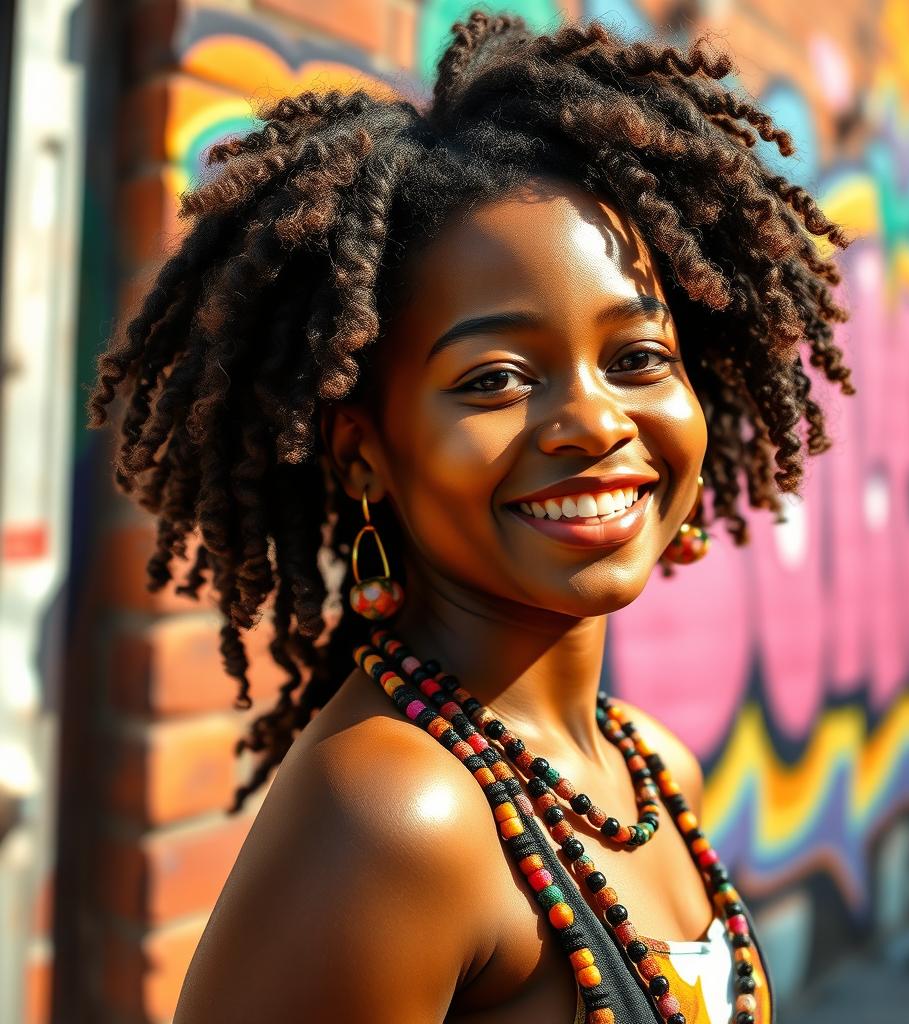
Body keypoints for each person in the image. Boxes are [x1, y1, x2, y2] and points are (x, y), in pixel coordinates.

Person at [89, 12, 852, 1023]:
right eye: (495, 378)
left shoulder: (655, 769)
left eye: (637, 359)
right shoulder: (401, 813)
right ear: (365, 452)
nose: (592, 421)